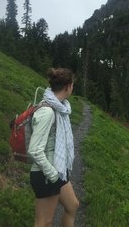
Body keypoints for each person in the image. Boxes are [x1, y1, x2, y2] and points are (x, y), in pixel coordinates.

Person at [28, 68, 79, 227]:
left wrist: (57, 175)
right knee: (44, 222)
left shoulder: (61, 108)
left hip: (57, 170)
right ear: (68, 86)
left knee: (72, 205)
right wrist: (53, 176)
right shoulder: (47, 112)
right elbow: (34, 150)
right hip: (46, 174)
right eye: (72, 85)